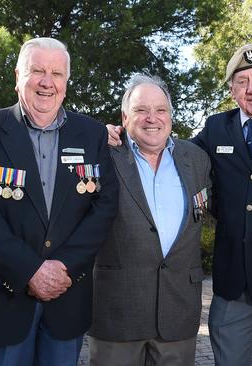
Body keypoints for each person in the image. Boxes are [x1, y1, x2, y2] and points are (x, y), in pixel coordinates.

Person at [108, 44, 252, 366]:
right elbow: (167, 147)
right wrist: (118, 131)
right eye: (242, 82)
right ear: (232, 90)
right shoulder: (217, 129)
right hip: (234, 288)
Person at [0, 37, 119, 365]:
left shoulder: (92, 134)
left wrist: (63, 269)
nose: (47, 82)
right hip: (3, 297)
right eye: (37, 71)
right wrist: (30, 270)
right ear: (18, 76)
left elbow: (104, 205)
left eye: (56, 74)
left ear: (66, 82)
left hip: (66, 295)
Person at [89, 74, 211, 366]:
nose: (152, 118)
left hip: (178, 311)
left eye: (160, 110)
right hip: (117, 313)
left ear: (170, 115)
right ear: (125, 116)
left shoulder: (196, 159)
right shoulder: (101, 153)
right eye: (141, 110)